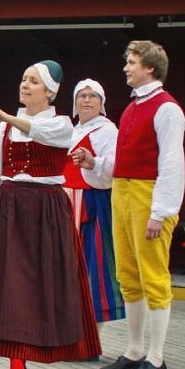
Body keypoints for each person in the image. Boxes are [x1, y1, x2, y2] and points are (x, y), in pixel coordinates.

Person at [0, 61, 101, 369]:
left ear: (50, 91)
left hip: (46, 207)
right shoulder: (4, 130)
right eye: (23, 79)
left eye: (33, 82)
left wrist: (6, 117)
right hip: (8, 205)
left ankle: (30, 358)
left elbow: (45, 134)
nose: (25, 85)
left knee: (39, 284)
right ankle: (16, 366)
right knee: (11, 285)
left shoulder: (63, 123)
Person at [101, 40, 185, 369]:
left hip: (147, 195)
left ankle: (157, 355)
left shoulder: (167, 109)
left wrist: (160, 211)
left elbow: (172, 164)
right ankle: (135, 349)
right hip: (123, 192)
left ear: (150, 68)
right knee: (128, 274)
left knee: (153, 275)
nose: (126, 67)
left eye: (132, 62)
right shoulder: (132, 107)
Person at [64, 79, 125, 330]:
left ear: (101, 104)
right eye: (82, 96)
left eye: (92, 96)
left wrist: (93, 162)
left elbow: (115, 169)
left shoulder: (107, 131)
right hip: (67, 202)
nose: (87, 100)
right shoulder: (70, 130)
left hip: (92, 203)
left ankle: (91, 335)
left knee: (93, 265)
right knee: (68, 266)